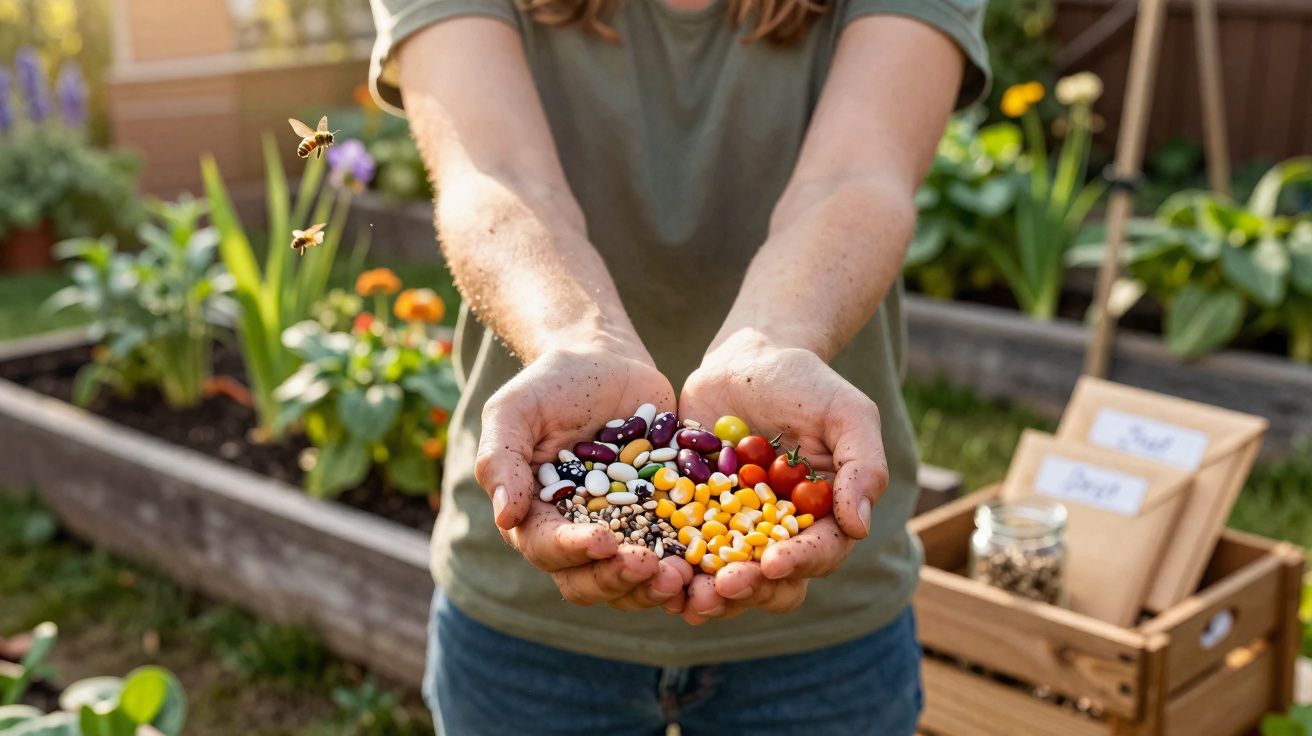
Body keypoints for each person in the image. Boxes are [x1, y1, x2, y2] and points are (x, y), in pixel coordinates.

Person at [368, 0, 987, 732]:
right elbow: (494, 172)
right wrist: (575, 337)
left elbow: (857, 174)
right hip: (527, 612)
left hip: (826, 625)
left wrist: (771, 343)